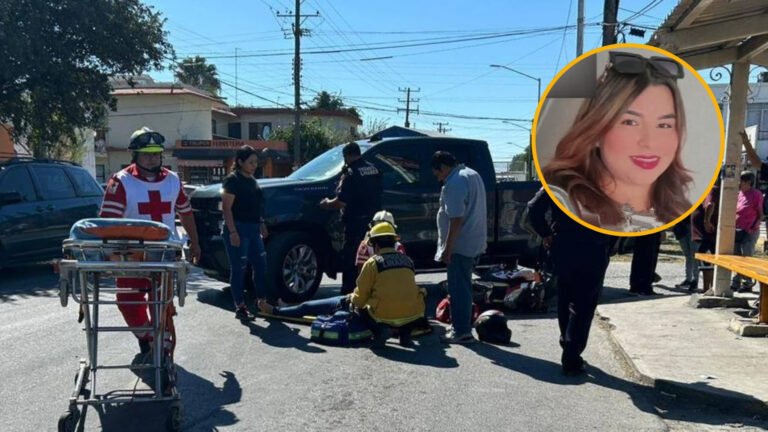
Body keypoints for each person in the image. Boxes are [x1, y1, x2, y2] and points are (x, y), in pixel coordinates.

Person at [542, 51, 693, 232]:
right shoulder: (566, 200)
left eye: (664, 125)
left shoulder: (679, 205)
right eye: (630, 122)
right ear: (596, 131)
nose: (649, 142)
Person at [99, 127, 201, 354]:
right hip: (130, 254)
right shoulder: (121, 181)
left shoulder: (173, 180)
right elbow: (107, 222)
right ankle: (146, 334)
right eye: (147, 154)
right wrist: (108, 253)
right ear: (134, 155)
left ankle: (162, 346)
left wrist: (195, 242)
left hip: (165, 253)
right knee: (128, 302)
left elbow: (185, 212)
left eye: (156, 153)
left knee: (161, 304)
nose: (152, 158)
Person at [528, 187, 611, 376]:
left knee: (565, 296)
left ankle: (568, 343)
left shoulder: (558, 179)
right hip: (594, 245)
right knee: (584, 302)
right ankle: (571, 354)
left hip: (563, 244)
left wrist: (546, 233)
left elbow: (533, 207)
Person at [431, 151, 487, 344]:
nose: (438, 178)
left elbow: (456, 219)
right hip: (475, 240)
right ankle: (462, 326)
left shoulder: (454, 183)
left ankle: (461, 331)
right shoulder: (472, 174)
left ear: (444, 168)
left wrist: (448, 248)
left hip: (460, 244)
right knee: (464, 286)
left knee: (458, 289)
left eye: (437, 173)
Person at [319, 141, 382, 295]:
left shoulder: (351, 173)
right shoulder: (374, 169)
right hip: (373, 224)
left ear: (346, 156)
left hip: (355, 223)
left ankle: (348, 294)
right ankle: (370, 291)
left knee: (352, 260)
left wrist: (326, 204)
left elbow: (341, 202)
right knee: (370, 258)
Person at [350, 222, 426, 348]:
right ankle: (405, 335)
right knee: (412, 300)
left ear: (376, 245)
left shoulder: (372, 263)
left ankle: (381, 331)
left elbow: (361, 295)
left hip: (383, 315)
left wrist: (352, 300)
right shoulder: (407, 260)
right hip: (413, 314)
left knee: (360, 307)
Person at [221, 145, 270, 320]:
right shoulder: (232, 181)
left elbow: (257, 206)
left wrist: (261, 223)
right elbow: (227, 209)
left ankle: (262, 301)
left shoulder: (253, 180)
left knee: (261, 265)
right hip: (238, 228)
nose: (254, 165)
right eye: (250, 162)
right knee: (239, 268)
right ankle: (240, 306)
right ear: (240, 162)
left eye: (256, 162)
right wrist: (233, 232)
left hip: (253, 228)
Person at [732, 171, 763, 292]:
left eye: (741, 181)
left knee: (747, 257)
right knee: (736, 256)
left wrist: (752, 227)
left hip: (750, 230)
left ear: (748, 182)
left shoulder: (756, 194)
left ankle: (747, 283)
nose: (739, 183)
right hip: (737, 230)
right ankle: (736, 281)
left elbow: (760, 214)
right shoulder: (739, 194)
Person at [673, 217, 698, 292]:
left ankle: (695, 280)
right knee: (688, 256)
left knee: (694, 256)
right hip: (681, 228)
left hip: (693, 226)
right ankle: (688, 279)